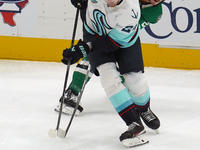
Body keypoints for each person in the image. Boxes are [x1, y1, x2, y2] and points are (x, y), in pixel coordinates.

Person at [59, 0, 162, 147]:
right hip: (95, 34)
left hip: (124, 42)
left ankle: (144, 109)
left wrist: (84, 48)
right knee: (109, 79)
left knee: (134, 80)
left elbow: (110, 43)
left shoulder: (130, 11)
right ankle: (134, 124)